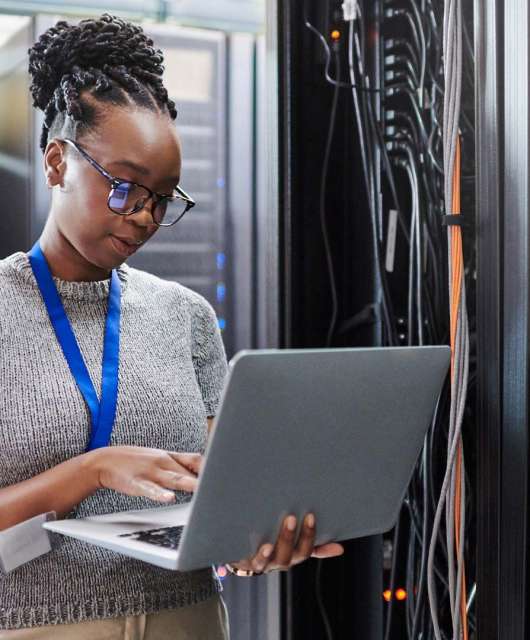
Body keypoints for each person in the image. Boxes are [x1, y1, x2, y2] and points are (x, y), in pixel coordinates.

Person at [0, 13, 344, 638]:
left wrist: (255, 537)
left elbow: (218, 494)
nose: (143, 216)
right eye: (124, 187)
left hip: (189, 619)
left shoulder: (184, 317)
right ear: (57, 163)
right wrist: (92, 470)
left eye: (163, 198)